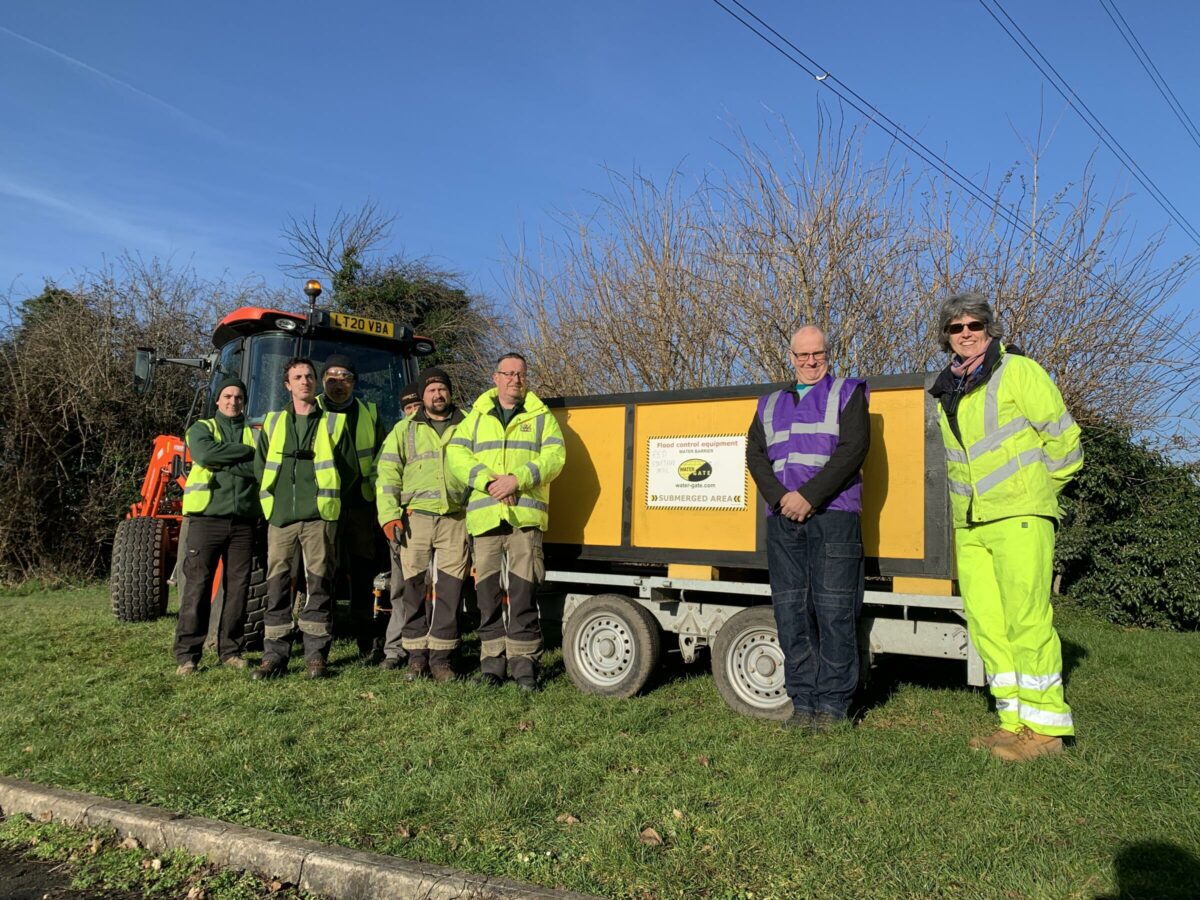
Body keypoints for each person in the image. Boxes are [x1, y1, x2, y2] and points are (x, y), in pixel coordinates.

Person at [930, 292, 1082, 761]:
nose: (967, 333)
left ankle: (1046, 728)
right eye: (957, 328)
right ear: (946, 337)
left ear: (990, 329)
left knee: (1026, 618)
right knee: (988, 624)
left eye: (974, 325)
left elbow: (1065, 443)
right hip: (972, 524)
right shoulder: (948, 389)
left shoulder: (1019, 371)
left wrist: (1035, 491)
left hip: (1019, 515)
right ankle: (1013, 721)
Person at [746, 326, 870, 732]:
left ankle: (833, 708)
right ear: (791, 357)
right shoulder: (767, 404)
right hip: (782, 520)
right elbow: (755, 455)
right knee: (791, 613)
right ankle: (803, 704)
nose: (810, 362)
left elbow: (853, 450)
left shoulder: (847, 394)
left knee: (835, 612)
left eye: (817, 354)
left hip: (834, 516)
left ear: (828, 355)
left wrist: (808, 496)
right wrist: (782, 498)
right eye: (803, 356)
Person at [446, 352, 566, 690]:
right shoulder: (475, 417)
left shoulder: (541, 416)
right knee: (487, 594)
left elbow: (556, 457)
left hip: (524, 520)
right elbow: (456, 455)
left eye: (521, 374)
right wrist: (489, 482)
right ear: (495, 377)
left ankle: (524, 663)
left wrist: (517, 479)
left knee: (524, 592)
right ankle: (492, 663)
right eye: (509, 373)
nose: (515, 379)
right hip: (485, 520)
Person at [252, 357, 356, 681]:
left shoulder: (334, 423)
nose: (304, 381)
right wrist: (276, 499)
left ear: (316, 382)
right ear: (287, 385)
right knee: (277, 586)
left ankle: (315, 657)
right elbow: (261, 466)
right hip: (281, 517)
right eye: (297, 377)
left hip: (318, 518)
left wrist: (324, 497)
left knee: (320, 584)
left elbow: (349, 469)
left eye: (309, 376)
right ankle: (274, 656)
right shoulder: (272, 422)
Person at [376, 366, 469, 681]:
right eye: (431, 390)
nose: (437, 394)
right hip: (415, 519)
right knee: (413, 589)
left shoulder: (468, 425)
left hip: (456, 518)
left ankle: (441, 659)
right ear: (423, 395)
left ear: (449, 393)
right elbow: (388, 474)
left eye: (442, 389)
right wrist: (389, 515)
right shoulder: (405, 430)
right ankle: (416, 658)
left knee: (450, 590)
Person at [172, 377, 260, 674]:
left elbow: (259, 467)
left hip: (244, 523)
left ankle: (231, 651)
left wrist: (226, 458)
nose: (233, 401)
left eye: (238, 397)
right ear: (218, 400)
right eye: (227, 396)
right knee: (197, 587)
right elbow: (205, 454)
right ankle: (187, 655)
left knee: (238, 589)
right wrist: (243, 455)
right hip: (206, 519)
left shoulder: (255, 434)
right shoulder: (201, 429)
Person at [317, 354, 386, 658]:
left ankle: (366, 641)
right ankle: (319, 643)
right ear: (323, 382)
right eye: (332, 377)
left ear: (354, 383)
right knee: (323, 573)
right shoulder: (310, 411)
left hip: (361, 506)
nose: (339, 383)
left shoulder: (370, 413)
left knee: (362, 573)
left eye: (345, 377)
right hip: (323, 506)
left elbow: (385, 458)